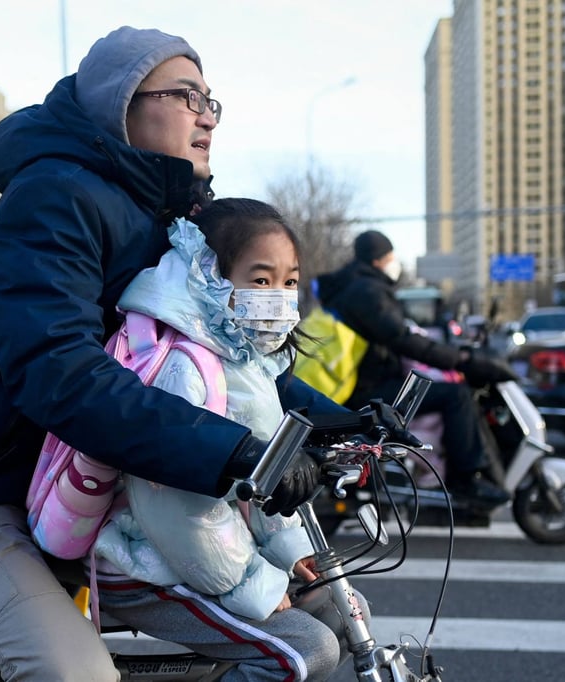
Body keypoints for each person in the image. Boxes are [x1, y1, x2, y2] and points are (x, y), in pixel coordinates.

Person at [0, 26, 345, 681]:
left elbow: (227, 359)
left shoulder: (170, 220)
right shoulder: (54, 200)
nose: (207, 117)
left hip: (83, 491)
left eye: (212, 101)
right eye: (187, 96)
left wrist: (340, 421)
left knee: (323, 609)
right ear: (121, 104)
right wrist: (235, 452)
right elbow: (61, 375)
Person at [93, 198, 357, 681]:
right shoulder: (185, 365)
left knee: (345, 608)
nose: (278, 295)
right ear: (211, 275)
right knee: (307, 652)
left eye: (289, 282)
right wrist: (254, 584)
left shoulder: (248, 362)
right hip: (142, 562)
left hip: (199, 555)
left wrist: (290, 551)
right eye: (260, 280)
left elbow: (259, 481)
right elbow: (178, 512)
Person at [314, 230, 515, 508]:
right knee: (455, 395)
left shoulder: (355, 286)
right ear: (377, 259)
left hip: (366, 381)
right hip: (367, 390)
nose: (393, 262)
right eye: (390, 256)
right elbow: (401, 338)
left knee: (443, 391)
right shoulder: (366, 292)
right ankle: (465, 480)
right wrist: (461, 360)